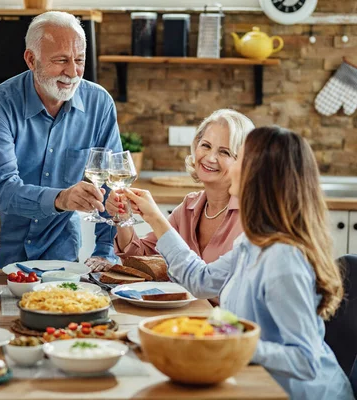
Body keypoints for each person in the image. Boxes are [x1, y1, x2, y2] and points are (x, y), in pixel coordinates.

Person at [122, 126, 352, 399]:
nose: (229, 168)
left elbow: (305, 360)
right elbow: (201, 281)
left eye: (237, 158)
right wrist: (154, 217)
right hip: (253, 382)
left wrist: (230, 341)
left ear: (259, 175)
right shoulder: (254, 242)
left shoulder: (282, 259)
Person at [0, 11, 122, 267]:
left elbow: (111, 184)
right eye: (61, 60)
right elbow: (3, 187)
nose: (73, 72)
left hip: (57, 250)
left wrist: (105, 248)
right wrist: (61, 199)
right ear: (31, 60)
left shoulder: (99, 104)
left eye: (79, 59)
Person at [92, 109, 254, 272]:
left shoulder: (252, 217)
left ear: (243, 161)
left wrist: (155, 217)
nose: (210, 158)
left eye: (224, 152)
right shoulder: (189, 207)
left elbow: (217, 285)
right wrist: (123, 218)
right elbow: (140, 258)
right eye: (206, 145)